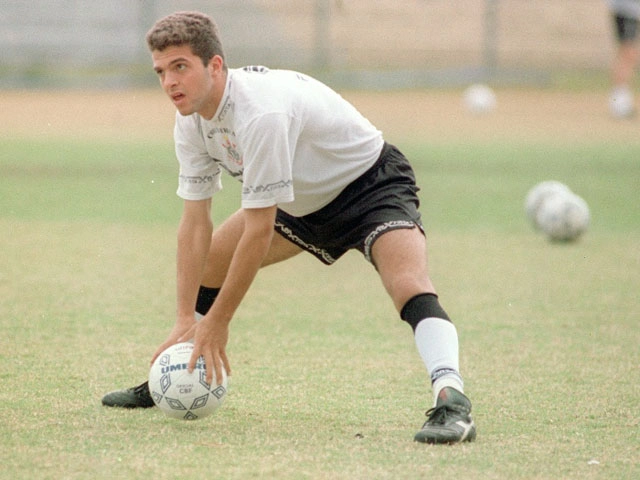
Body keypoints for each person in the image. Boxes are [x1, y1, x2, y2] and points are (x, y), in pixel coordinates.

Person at [101, 11, 476, 444]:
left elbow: (259, 230)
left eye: (180, 66)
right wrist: (187, 318)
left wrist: (219, 321)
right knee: (208, 266)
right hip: (297, 203)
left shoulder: (259, 113)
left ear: (215, 65)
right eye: (161, 71)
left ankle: (453, 401)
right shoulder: (190, 121)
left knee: (408, 285)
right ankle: (175, 372)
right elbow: (194, 223)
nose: (169, 82)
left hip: (369, 188)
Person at [608, 0, 640, 118]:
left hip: (631, 10)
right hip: (626, 10)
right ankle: (619, 102)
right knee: (627, 53)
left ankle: (621, 100)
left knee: (629, 53)